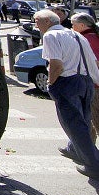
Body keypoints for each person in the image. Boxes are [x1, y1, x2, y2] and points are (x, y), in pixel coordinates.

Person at [35, 9, 99, 178]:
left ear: (48, 21)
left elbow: (56, 65)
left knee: (74, 125)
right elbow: (92, 62)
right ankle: (74, 150)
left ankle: (94, 166)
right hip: (86, 82)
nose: (36, 25)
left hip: (67, 82)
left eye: (37, 21)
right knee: (83, 122)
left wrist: (51, 83)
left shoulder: (50, 36)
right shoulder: (77, 36)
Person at [70, 13, 99, 144]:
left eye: (73, 25)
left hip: (94, 84)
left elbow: (95, 62)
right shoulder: (92, 36)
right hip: (92, 84)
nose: (71, 28)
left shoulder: (87, 39)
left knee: (94, 118)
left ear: (82, 25)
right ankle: (86, 150)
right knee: (89, 119)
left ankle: (88, 152)